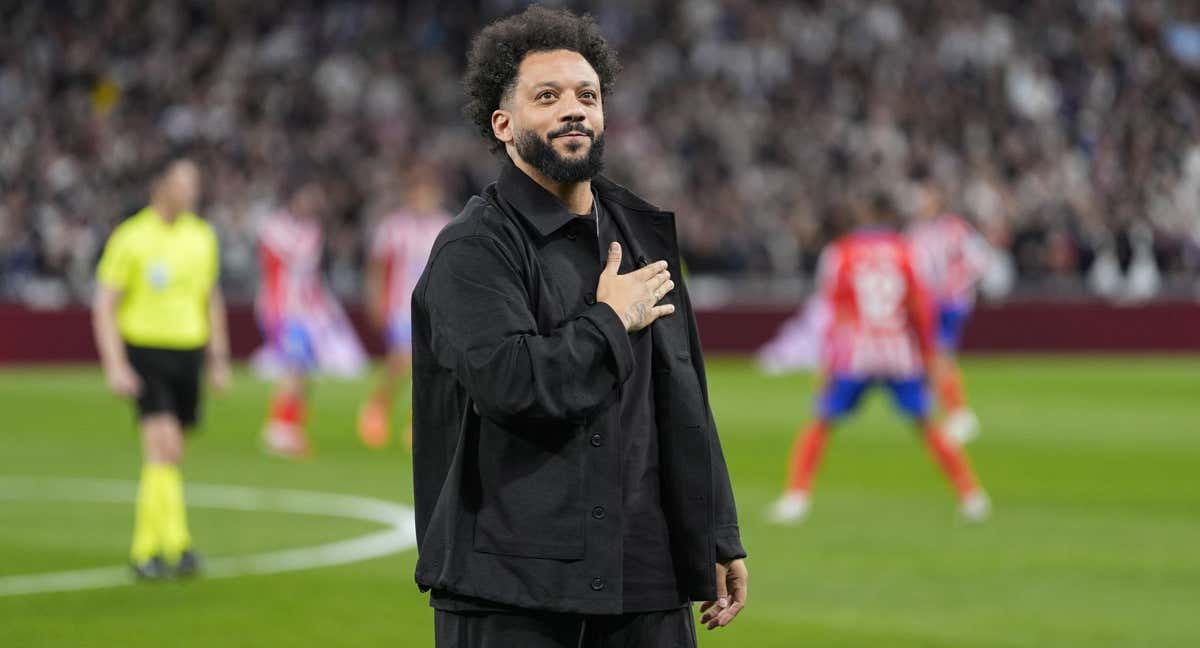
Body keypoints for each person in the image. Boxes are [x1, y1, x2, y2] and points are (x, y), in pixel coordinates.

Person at [410, 7, 748, 647]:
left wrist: (716, 530)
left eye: (587, 96)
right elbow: (512, 383)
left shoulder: (641, 231)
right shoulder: (473, 249)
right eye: (548, 96)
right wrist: (610, 321)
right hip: (512, 589)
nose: (574, 109)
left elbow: (680, 392)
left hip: (645, 581)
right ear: (503, 125)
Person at [768, 194, 990, 525]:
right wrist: (927, 355)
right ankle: (971, 495)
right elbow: (920, 309)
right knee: (927, 425)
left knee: (821, 422)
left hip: (856, 354)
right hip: (898, 352)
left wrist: (828, 361)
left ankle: (795, 497)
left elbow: (833, 312)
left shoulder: (841, 252)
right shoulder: (907, 251)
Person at [92, 157, 231, 579]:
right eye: (183, 184)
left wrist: (218, 357)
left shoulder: (202, 236)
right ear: (161, 186)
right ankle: (156, 548)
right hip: (147, 351)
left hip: (187, 351)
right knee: (161, 447)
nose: (192, 192)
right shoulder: (131, 237)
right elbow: (105, 303)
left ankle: (164, 546)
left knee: (172, 454)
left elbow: (210, 297)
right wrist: (115, 363)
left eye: (195, 184)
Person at [255, 169, 366, 458]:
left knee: (304, 371)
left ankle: (288, 427)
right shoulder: (275, 228)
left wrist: (321, 312)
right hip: (281, 309)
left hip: (305, 312)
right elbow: (277, 268)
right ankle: (279, 430)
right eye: (308, 196)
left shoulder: (312, 230)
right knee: (294, 367)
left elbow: (312, 277)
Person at [357, 166, 451, 449]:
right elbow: (376, 268)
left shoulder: (445, 225)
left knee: (431, 368)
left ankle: (416, 423)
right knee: (401, 361)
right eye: (420, 193)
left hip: (434, 308)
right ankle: (378, 406)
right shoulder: (393, 227)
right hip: (401, 305)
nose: (425, 199)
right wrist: (374, 299)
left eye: (430, 194)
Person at [907, 180, 991, 445]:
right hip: (926, 302)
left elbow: (979, 259)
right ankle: (935, 405)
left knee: (940, 355)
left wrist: (959, 286)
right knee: (929, 355)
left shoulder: (954, 228)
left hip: (949, 302)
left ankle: (960, 415)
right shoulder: (914, 231)